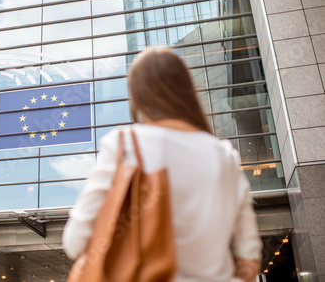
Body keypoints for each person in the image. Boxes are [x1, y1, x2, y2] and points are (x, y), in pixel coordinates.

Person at [63, 47, 262, 282]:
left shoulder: (125, 144)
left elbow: (75, 241)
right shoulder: (225, 155)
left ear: (138, 96)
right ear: (187, 91)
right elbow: (249, 258)